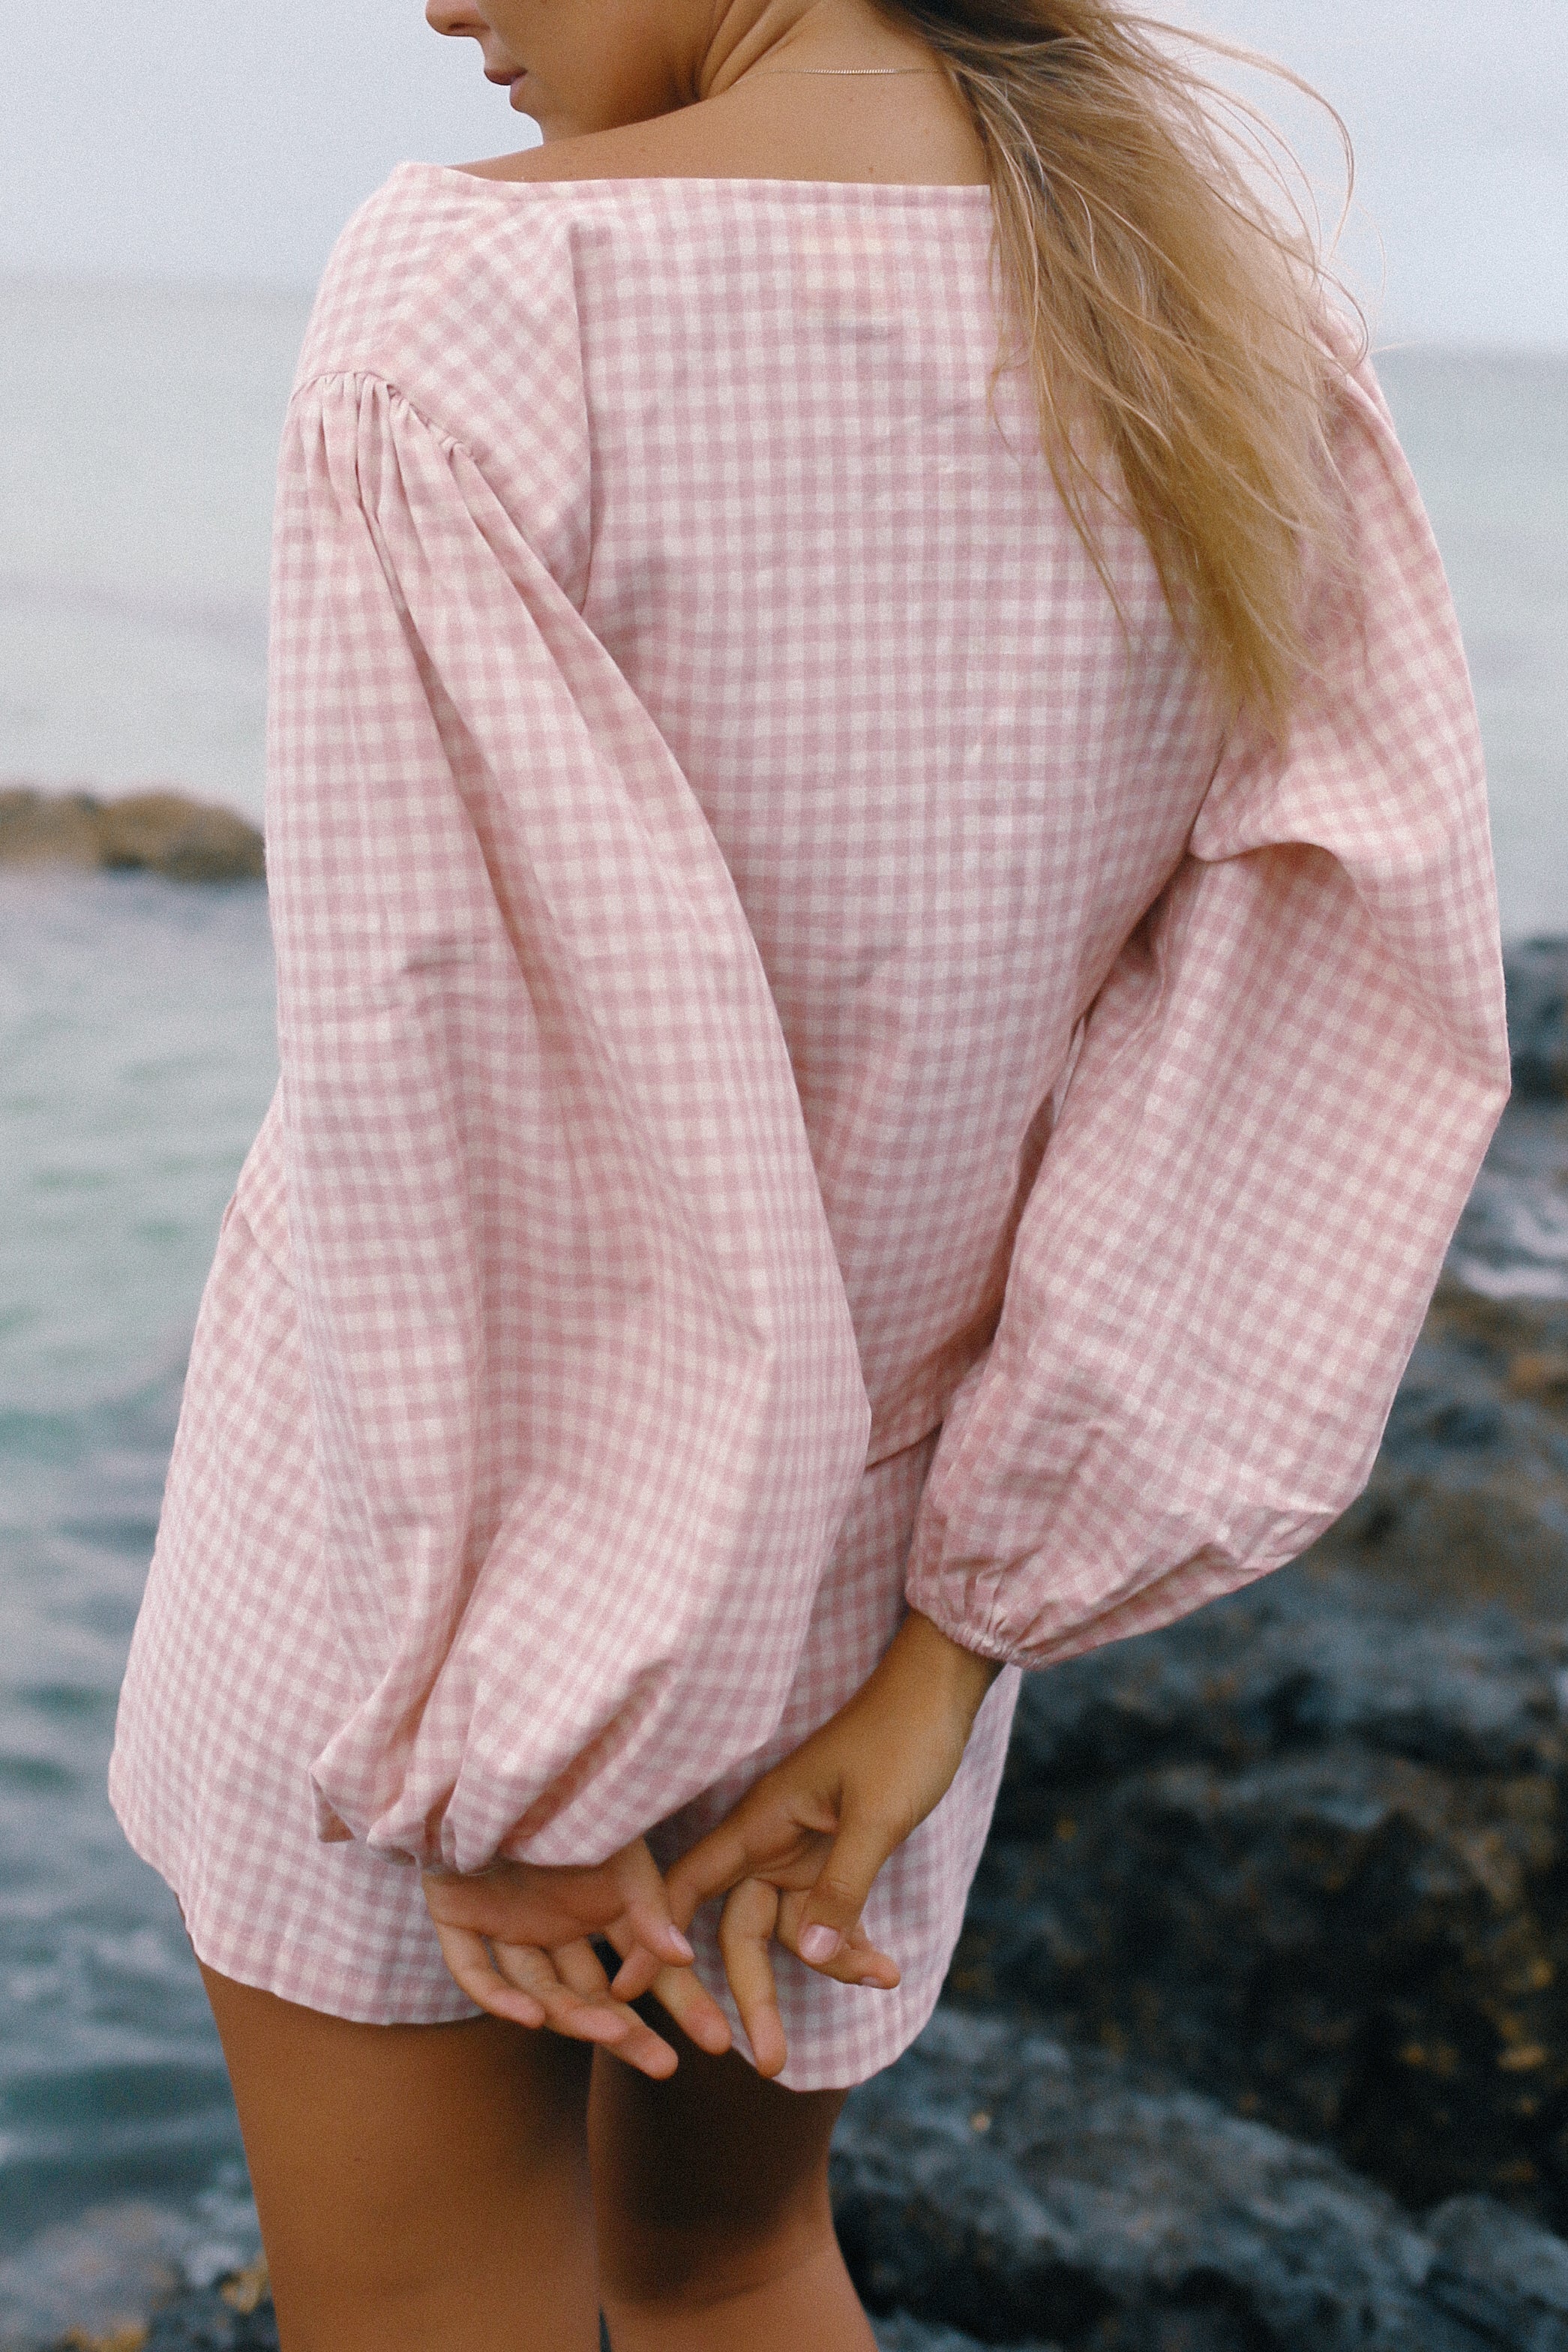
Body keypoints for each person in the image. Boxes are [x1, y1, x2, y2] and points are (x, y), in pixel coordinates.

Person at [109, 0, 1510, 2342]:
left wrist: (515, 1753)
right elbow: (1296, 1032)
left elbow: (465, 1073)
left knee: (428, 2303)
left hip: (430, 1581)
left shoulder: (477, 292)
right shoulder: (1211, 302)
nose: (429, 0)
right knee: (729, 2260)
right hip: (876, 1603)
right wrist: (966, 1642)